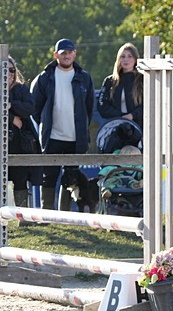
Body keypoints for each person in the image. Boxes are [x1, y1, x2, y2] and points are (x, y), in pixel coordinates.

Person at [29, 39, 94, 210]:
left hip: (75, 137)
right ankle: (47, 215)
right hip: (52, 137)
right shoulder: (44, 77)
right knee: (48, 176)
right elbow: (35, 108)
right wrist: (46, 124)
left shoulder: (84, 77)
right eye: (63, 52)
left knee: (71, 177)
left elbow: (89, 108)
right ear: (55, 55)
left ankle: (64, 215)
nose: (66, 56)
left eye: (69, 52)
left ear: (75, 54)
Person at [5, 56, 40, 208]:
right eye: (5, 70)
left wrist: (10, 105)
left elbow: (29, 109)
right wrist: (11, 118)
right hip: (2, 144)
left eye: (12, 70)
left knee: (20, 180)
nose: (9, 73)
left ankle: (22, 217)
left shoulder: (21, 89)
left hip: (19, 143)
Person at [97, 42, 144, 127]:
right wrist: (121, 116)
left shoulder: (142, 80)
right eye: (123, 56)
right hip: (116, 127)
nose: (126, 60)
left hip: (138, 128)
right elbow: (102, 105)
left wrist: (132, 115)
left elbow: (148, 105)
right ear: (118, 60)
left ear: (135, 59)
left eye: (130, 56)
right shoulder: (110, 81)